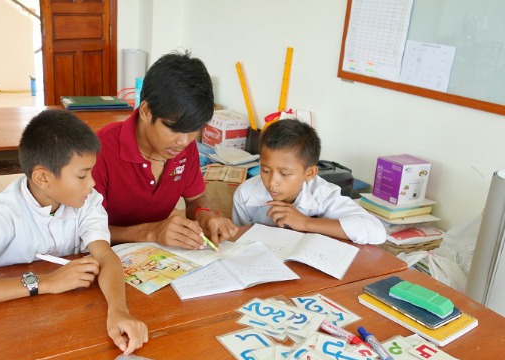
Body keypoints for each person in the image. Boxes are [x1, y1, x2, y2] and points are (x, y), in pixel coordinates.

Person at [0, 109, 148, 355]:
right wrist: (45, 283)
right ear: (43, 178)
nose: (92, 183)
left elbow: (104, 256)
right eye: (81, 175)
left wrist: (118, 310)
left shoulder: (87, 201)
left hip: (66, 323)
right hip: (10, 330)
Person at [92, 51, 238, 250]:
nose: (184, 141)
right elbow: (82, 230)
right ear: (145, 111)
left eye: (193, 130)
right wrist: (152, 232)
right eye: (173, 128)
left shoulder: (185, 147)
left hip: (157, 258)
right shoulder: (99, 151)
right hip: (105, 257)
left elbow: (195, 197)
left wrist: (205, 215)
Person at [232, 119, 386, 245]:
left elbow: (376, 232)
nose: (272, 182)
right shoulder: (245, 194)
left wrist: (304, 222)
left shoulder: (323, 195)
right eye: (265, 170)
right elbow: (239, 241)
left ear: (310, 173)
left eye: (285, 173)